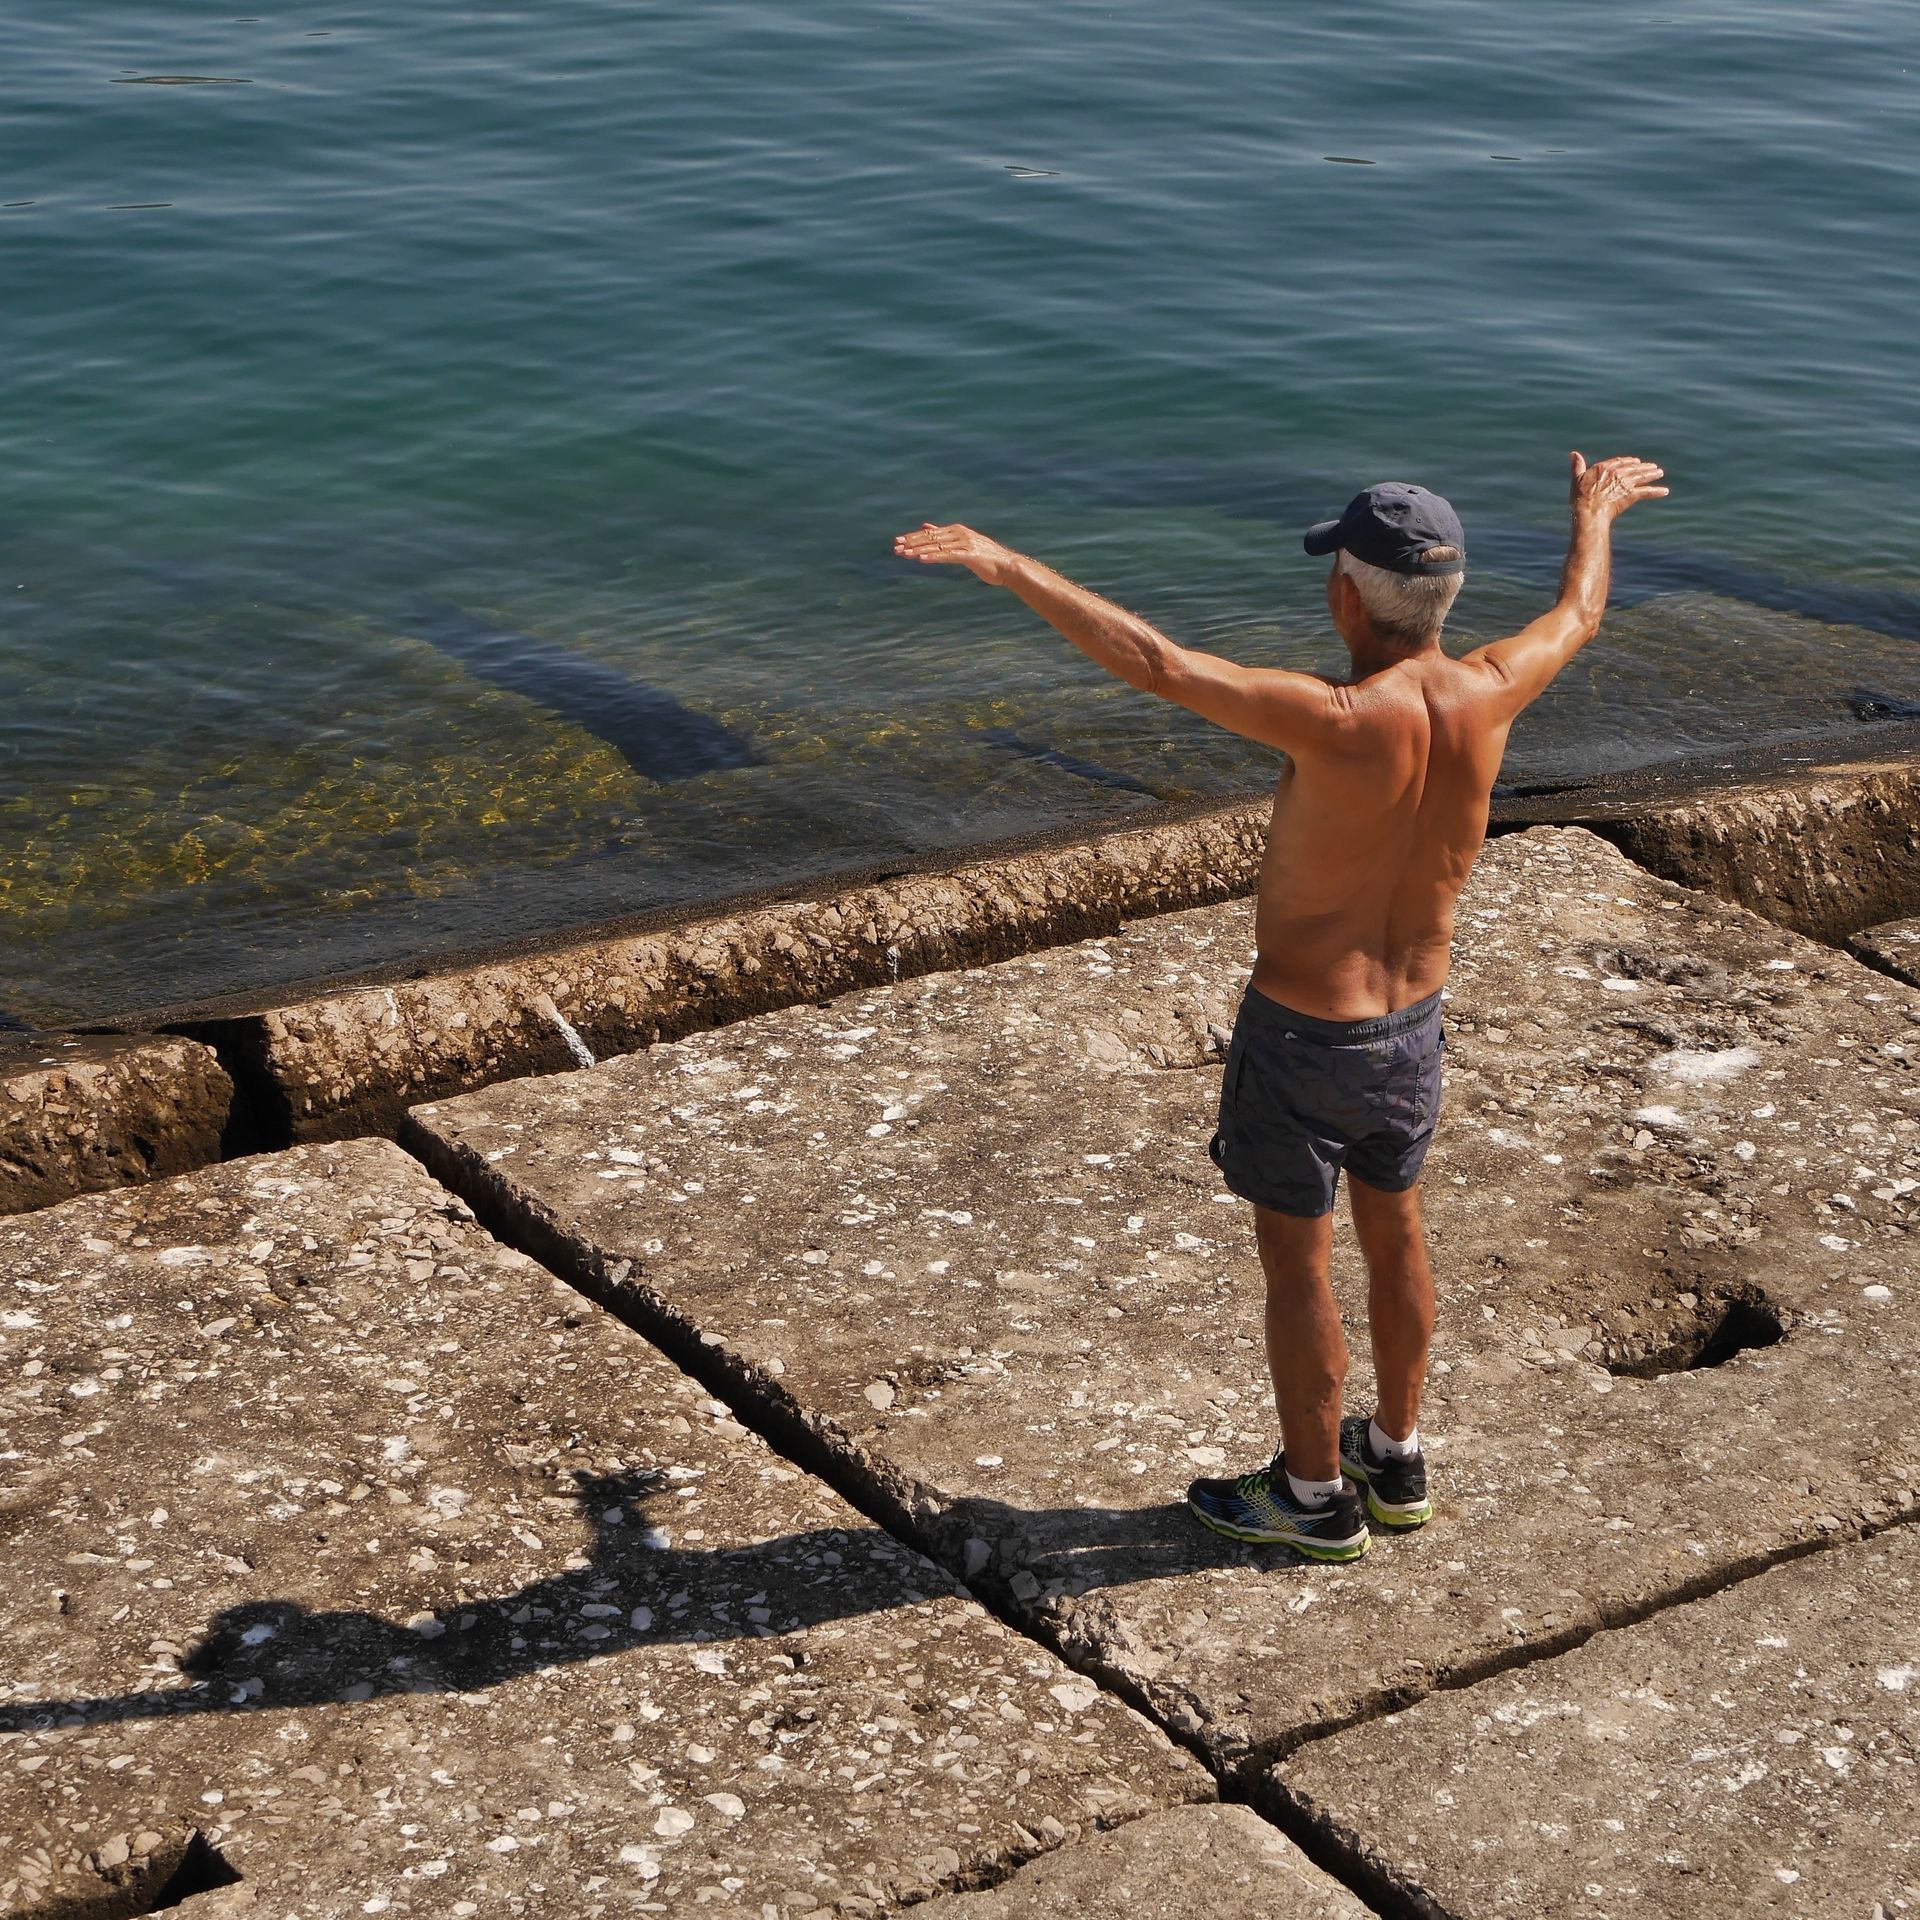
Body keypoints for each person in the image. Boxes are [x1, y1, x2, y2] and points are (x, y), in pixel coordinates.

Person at [893, 452, 1668, 1561]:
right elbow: (1579, 613)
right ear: (1444, 597)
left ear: (1345, 594)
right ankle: (1393, 1457)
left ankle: (1310, 1496)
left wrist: (1011, 564)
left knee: (1298, 1269)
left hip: (1305, 1035)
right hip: (1412, 1030)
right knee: (1395, 1227)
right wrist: (1593, 516)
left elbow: (1157, 662)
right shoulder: (1494, 686)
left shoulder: (1335, 718)